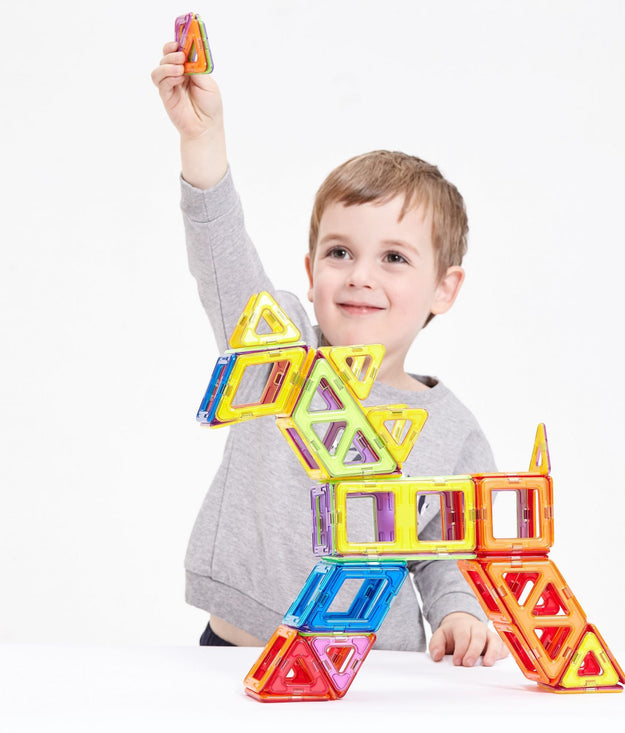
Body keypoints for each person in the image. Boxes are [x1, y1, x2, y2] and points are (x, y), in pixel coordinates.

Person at [151, 40, 510, 668]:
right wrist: (203, 146)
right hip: (232, 658)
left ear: (444, 288)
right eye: (340, 252)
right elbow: (224, 265)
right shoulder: (281, 345)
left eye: (394, 258)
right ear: (311, 269)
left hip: (373, 671)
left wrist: (459, 611)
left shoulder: (453, 430)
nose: (359, 276)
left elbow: (447, 550)